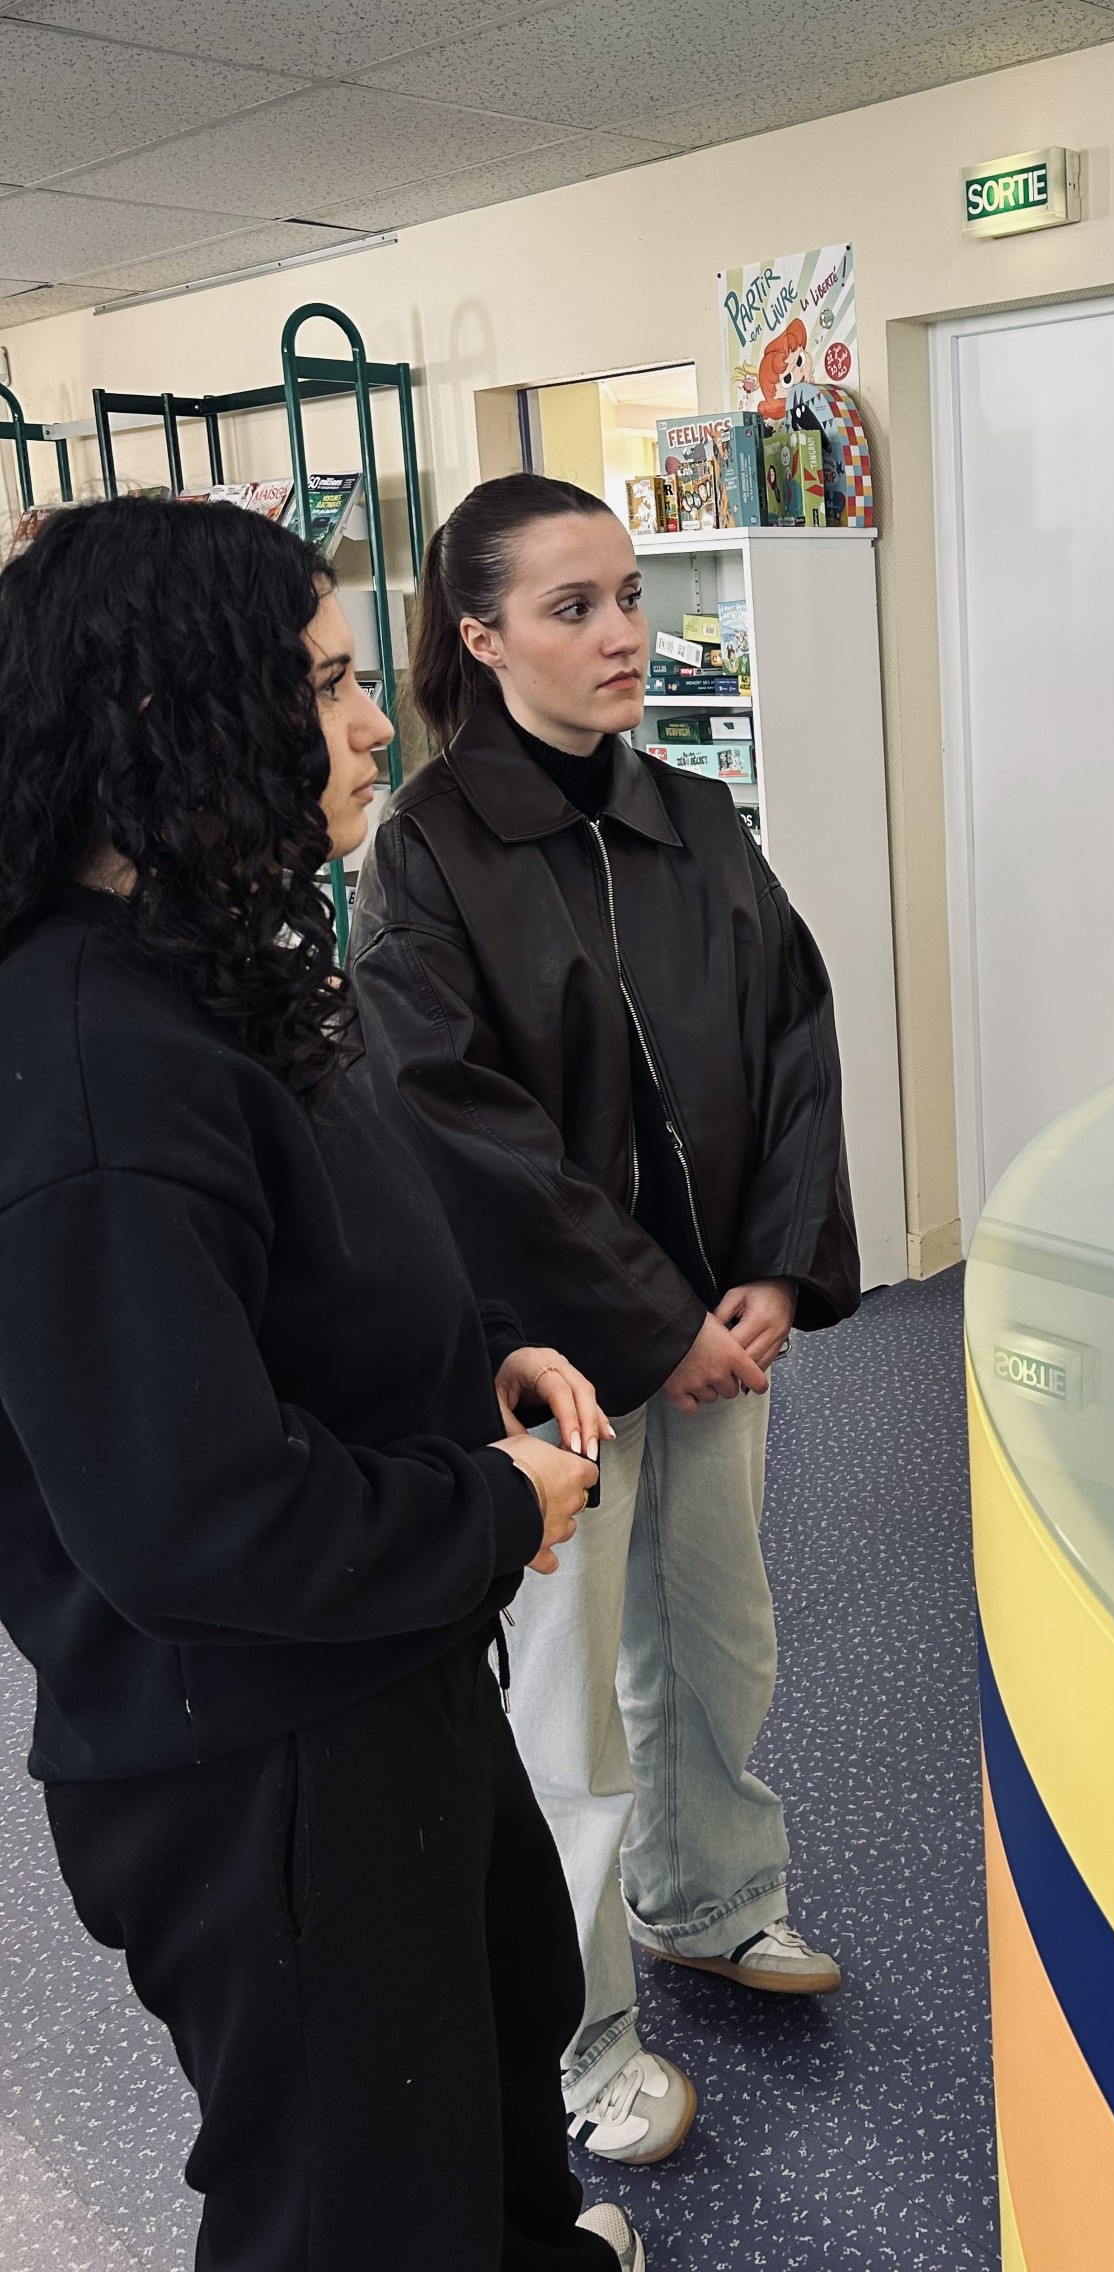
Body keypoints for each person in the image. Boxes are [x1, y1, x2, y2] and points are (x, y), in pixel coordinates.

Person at [0, 499, 642, 2272]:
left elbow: (308, 1269)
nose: (376, 727)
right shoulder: (89, 1071)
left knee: (495, 2052)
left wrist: (473, 1356)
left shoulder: (208, 962)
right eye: (330, 685)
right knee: (349, 2199)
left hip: (383, 1676)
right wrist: (495, 1502)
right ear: (175, 712)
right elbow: (195, 1518)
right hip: (260, 1763)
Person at [348, 472, 860, 2167]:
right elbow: (453, 1120)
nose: (623, 632)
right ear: (484, 638)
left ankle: (708, 1899)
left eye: (630, 595)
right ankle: (579, 2038)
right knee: (564, 1710)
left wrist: (772, 1272)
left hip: (719, 1334)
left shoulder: (695, 818)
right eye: (573, 607)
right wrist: (656, 1322)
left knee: (717, 1641)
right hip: (553, 1357)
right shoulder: (427, 851)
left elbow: (794, 1037)